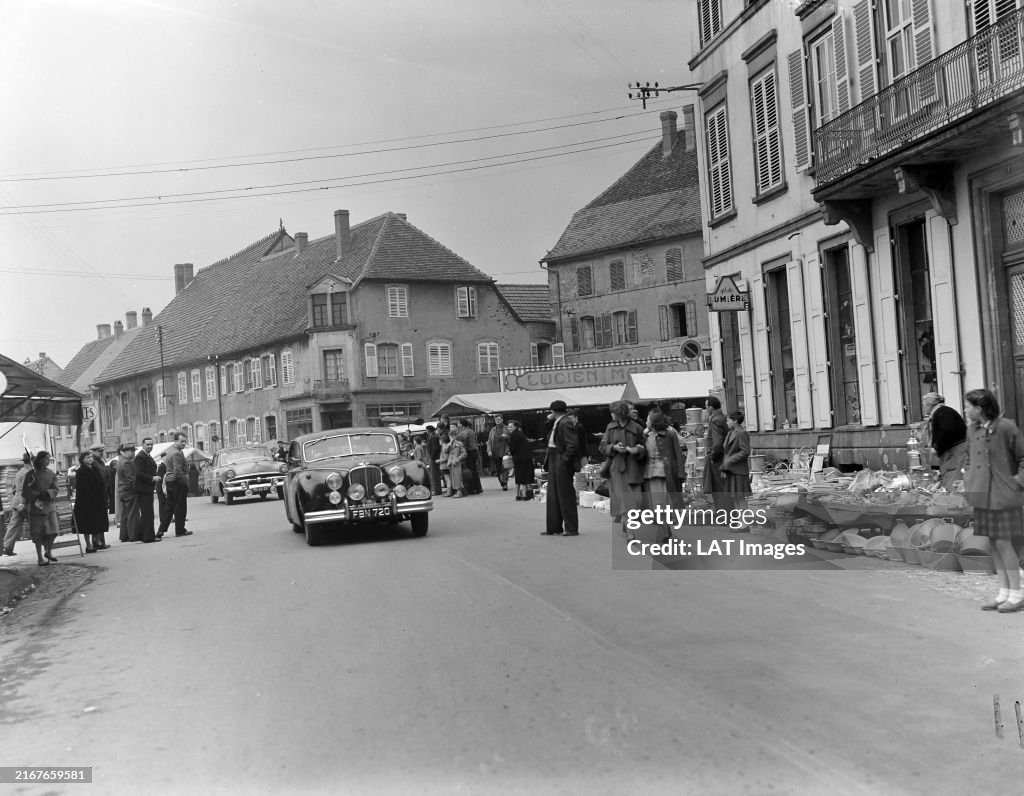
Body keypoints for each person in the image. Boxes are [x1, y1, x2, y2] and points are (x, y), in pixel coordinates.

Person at [962, 388, 1024, 613]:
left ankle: (1017, 594)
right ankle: (1003, 593)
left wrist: (1017, 482)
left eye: (968, 406)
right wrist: (968, 478)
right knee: (993, 544)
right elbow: (968, 457)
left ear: (979, 408)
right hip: (982, 494)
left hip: (1003, 495)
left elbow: (1022, 457)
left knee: (1004, 543)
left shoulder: (1006, 427)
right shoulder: (972, 429)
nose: (965, 410)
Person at [599, 400, 646, 533]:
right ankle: (631, 535)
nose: (611, 415)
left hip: (634, 468)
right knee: (626, 502)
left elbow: (645, 447)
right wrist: (613, 447)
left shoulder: (637, 428)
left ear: (619, 414)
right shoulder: (610, 427)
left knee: (637, 500)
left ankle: (627, 523)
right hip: (617, 469)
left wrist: (638, 450)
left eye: (613, 412)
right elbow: (602, 446)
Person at [640, 407, 687, 543]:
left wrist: (681, 472)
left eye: (648, 419)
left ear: (654, 421)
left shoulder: (670, 433)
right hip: (650, 474)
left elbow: (678, 453)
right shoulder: (646, 435)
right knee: (657, 504)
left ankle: (667, 531)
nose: (646, 421)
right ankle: (665, 530)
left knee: (667, 503)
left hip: (667, 473)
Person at [541, 400, 581, 537]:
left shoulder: (565, 422)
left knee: (565, 495)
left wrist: (564, 461)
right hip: (554, 458)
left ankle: (571, 528)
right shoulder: (559, 422)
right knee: (553, 494)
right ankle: (554, 527)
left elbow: (572, 445)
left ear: (553, 411)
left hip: (559, 458)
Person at [920, 392, 968, 490]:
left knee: (953, 484)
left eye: (924, 405)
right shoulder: (941, 412)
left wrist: (937, 447)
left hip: (956, 454)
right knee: (950, 481)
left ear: (929, 404)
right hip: (952, 455)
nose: (923, 408)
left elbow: (948, 429)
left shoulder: (943, 411)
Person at [23, 450, 59, 566]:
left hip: (49, 505)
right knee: (38, 533)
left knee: (54, 530)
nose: (49, 461)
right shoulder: (31, 475)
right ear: (41, 459)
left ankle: (48, 551)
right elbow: (26, 491)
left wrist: (48, 493)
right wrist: (37, 494)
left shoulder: (51, 473)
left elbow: (55, 488)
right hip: (36, 507)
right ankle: (40, 558)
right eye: (47, 458)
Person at [721, 410, 752, 526]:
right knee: (735, 497)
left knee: (740, 497)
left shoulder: (741, 433)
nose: (727, 422)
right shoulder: (730, 432)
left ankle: (745, 522)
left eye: (728, 420)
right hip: (730, 469)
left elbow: (745, 451)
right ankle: (741, 521)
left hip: (738, 469)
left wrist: (731, 460)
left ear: (735, 421)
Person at [73, 451, 108, 553]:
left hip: (97, 500)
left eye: (91, 457)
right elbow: (82, 488)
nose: (90, 459)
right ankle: (88, 545)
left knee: (97, 523)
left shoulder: (95, 469)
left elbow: (100, 483)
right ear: (83, 460)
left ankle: (95, 541)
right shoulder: (81, 471)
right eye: (88, 457)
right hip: (86, 501)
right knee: (87, 526)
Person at [162, 432, 192, 537]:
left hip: (170, 481)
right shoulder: (177, 453)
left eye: (185, 441)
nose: (184, 443)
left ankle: (161, 530)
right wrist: (184, 481)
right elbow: (178, 470)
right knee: (180, 507)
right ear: (175, 441)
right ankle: (180, 530)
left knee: (169, 506)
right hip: (177, 482)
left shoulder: (172, 451)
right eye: (181, 441)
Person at [3, 452, 33, 556]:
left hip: (16, 502)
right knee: (36, 523)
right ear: (31, 461)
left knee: (13, 525)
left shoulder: (19, 472)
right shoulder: (30, 473)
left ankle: (7, 547)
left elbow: (14, 489)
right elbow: (28, 489)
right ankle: (45, 544)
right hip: (25, 503)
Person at [702, 396, 729, 510]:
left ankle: (725, 516)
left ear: (711, 407)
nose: (706, 409)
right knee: (722, 487)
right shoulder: (721, 417)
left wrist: (712, 456)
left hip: (718, 459)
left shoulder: (716, 420)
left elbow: (717, 443)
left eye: (706, 407)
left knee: (719, 488)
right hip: (722, 457)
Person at [134, 436, 161, 543]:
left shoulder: (148, 456)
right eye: (147, 444)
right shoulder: (140, 457)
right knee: (148, 514)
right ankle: (148, 537)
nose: (150, 446)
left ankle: (141, 535)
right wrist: (152, 478)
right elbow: (138, 474)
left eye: (151, 444)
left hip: (147, 488)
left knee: (147, 513)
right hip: (143, 489)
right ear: (143, 445)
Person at [88, 445, 112, 549]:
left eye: (102, 451)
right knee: (98, 518)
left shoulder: (100, 462)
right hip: (98, 493)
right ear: (93, 451)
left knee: (102, 518)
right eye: (98, 451)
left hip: (103, 492)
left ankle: (101, 541)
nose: (101, 453)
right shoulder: (93, 463)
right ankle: (97, 542)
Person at [116, 442, 140, 542]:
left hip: (122, 490)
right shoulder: (127, 462)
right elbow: (131, 479)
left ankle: (124, 536)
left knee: (125, 515)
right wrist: (136, 490)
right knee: (132, 514)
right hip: (129, 491)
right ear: (126, 451)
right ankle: (133, 535)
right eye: (132, 451)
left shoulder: (120, 460)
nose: (134, 453)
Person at [507, 419, 535, 500]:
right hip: (526, 458)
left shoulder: (513, 435)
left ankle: (518, 496)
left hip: (518, 459)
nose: (509, 428)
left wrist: (510, 452)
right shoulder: (521, 434)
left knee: (518, 477)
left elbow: (512, 448)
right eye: (509, 427)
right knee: (525, 477)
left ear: (515, 426)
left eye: (511, 427)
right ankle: (524, 495)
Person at [456, 419, 483, 495]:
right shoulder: (471, 431)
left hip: (469, 451)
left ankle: (472, 489)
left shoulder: (464, 432)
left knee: (469, 470)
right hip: (474, 451)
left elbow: (464, 443)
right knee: (474, 470)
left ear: (461, 425)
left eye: (458, 423)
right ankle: (478, 488)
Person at [487, 415, 510, 491]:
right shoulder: (492, 430)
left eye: (499, 419)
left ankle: (505, 484)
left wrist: (507, 437)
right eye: (496, 419)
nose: (497, 421)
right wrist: (489, 450)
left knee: (505, 468)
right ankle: (502, 483)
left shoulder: (507, 428)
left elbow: (512, 439)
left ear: (502, 420)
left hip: (504, 451)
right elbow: (489, 441)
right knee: (498, 469)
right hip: (495, 452)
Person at [425, 426, 443, 496]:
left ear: (428, 430)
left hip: (434, 458)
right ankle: (435, 489)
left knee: (434, 474)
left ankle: (437, 490)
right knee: (433, 474)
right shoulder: (432, 436)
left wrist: (432, 457)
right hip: (433, 457)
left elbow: (435, 448)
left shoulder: (434, 437)